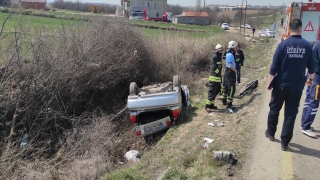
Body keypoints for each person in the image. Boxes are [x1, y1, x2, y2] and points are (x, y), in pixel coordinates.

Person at [265, 18, 315, 151]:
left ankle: (270, 133)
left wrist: (269, 84)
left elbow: (274, 67)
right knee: (291, 115)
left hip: (280, 85)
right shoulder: (307, 46)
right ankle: (284, 143)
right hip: (296, 87)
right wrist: (310, 80)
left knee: (274, 109)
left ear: (289, 29)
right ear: (301, 29)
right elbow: (312, 68)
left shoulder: (283, 45)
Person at [301, 40, 320, 138]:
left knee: (309, 100)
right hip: (317, 77)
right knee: (314, 102)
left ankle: (305, 124)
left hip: (312, 74)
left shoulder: (317, 42)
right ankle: (306, 127)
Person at [205, 44, 224, 110]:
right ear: (217, 50)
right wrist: (218, 72)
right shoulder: (215, 57)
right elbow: (213, 67)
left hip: (217, 79)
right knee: (212, 92)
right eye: (220, 50)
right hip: (214, 78)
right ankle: (207, 105)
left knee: (217, 91)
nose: (221, 51)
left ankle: (211, 105)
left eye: (222, 50)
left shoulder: (218, 57)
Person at [221, 41, 237, 109]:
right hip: (231, 72)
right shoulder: (230, 55)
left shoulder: (228, 53)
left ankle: (224, 100)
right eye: (235, 47)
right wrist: (235, 70)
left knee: (226, 87)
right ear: (233, 46)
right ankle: (229, 104)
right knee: (232, 88)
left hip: (227, 72)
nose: (235, 48)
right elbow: (230, 65)